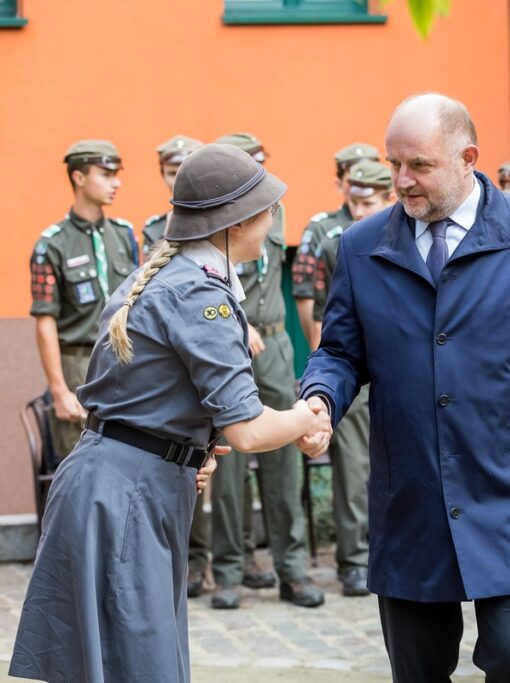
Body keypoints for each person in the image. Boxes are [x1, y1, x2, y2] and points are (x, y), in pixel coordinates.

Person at [300, 93, 510, 682]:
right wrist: (320, 400)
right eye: (394, 165)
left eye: (418, 166)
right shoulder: (361, 247)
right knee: (417, 669)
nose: (401, 181)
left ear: (468, 158)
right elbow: (339, 351)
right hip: (411, 497)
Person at [9, 143, 331, 683]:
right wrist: (307, 416)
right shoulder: (200, 295)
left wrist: (187, 451)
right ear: (234, 222)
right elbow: (248, 431)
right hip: (126, 497)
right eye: (266, 208)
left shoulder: (165, 276)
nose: (273, 220)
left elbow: (146, 401)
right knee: (139, 667)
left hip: (116, 486)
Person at [208, 132, 325, 609]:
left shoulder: (273, 215)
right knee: (230, 461)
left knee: (284, 461)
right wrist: (240, 323)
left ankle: (292, 570)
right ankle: (230, 571)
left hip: (274, 348)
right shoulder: (214, 223)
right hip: (231, 344)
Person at [311, 160, 396, 596]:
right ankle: (354, 558)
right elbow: (324, 319)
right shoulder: (344, 241)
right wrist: (320, 384)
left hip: (395, 376)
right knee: (351, 468)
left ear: (388, 198)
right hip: (351, 374)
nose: (360, 210)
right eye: (355, 201)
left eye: (370, 202)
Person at [30, 140, 139, 460]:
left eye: (116, 174)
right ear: (79, 177)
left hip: (126, 359)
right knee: (80, 465)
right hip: (80, 366)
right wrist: (59, 390)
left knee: (128, 459)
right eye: (106, 174)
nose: (116, 182)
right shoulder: (52, 244)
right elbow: (45, 321)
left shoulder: (123, 235)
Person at [140, 133, 211, 596]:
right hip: (167, 358)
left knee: (201, 466)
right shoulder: (149, 231)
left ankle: (200, 561)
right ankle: (170, 559)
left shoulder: (219, 228)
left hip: (205, 352)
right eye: (172, 171)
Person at [293, 142, 380, 346]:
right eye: (354, 175)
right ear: (340, 183)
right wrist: (319, 350)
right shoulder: (322, 230)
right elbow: (306, 296)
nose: (363, 177)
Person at [143, 134, 203, 258]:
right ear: (163, 176)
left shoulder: (224, 220)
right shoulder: (154, 229)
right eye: (172, 174)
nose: (179, 181)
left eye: (185, 172)